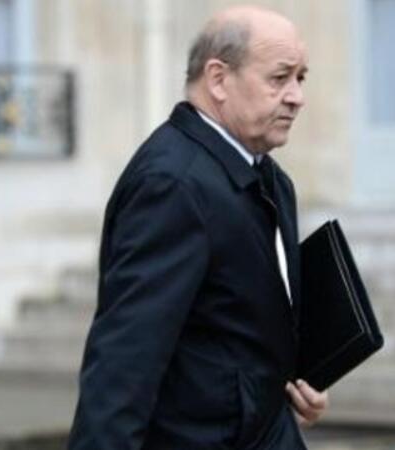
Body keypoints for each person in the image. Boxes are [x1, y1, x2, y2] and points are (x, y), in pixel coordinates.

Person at [68, 5, 328, 449]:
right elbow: (125, 359)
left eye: (300, 78)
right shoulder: (173, 184)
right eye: (279, 77)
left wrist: (297, 380)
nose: (296, 96)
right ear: (218, 79)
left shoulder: (269, 177)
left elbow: (241, 330)